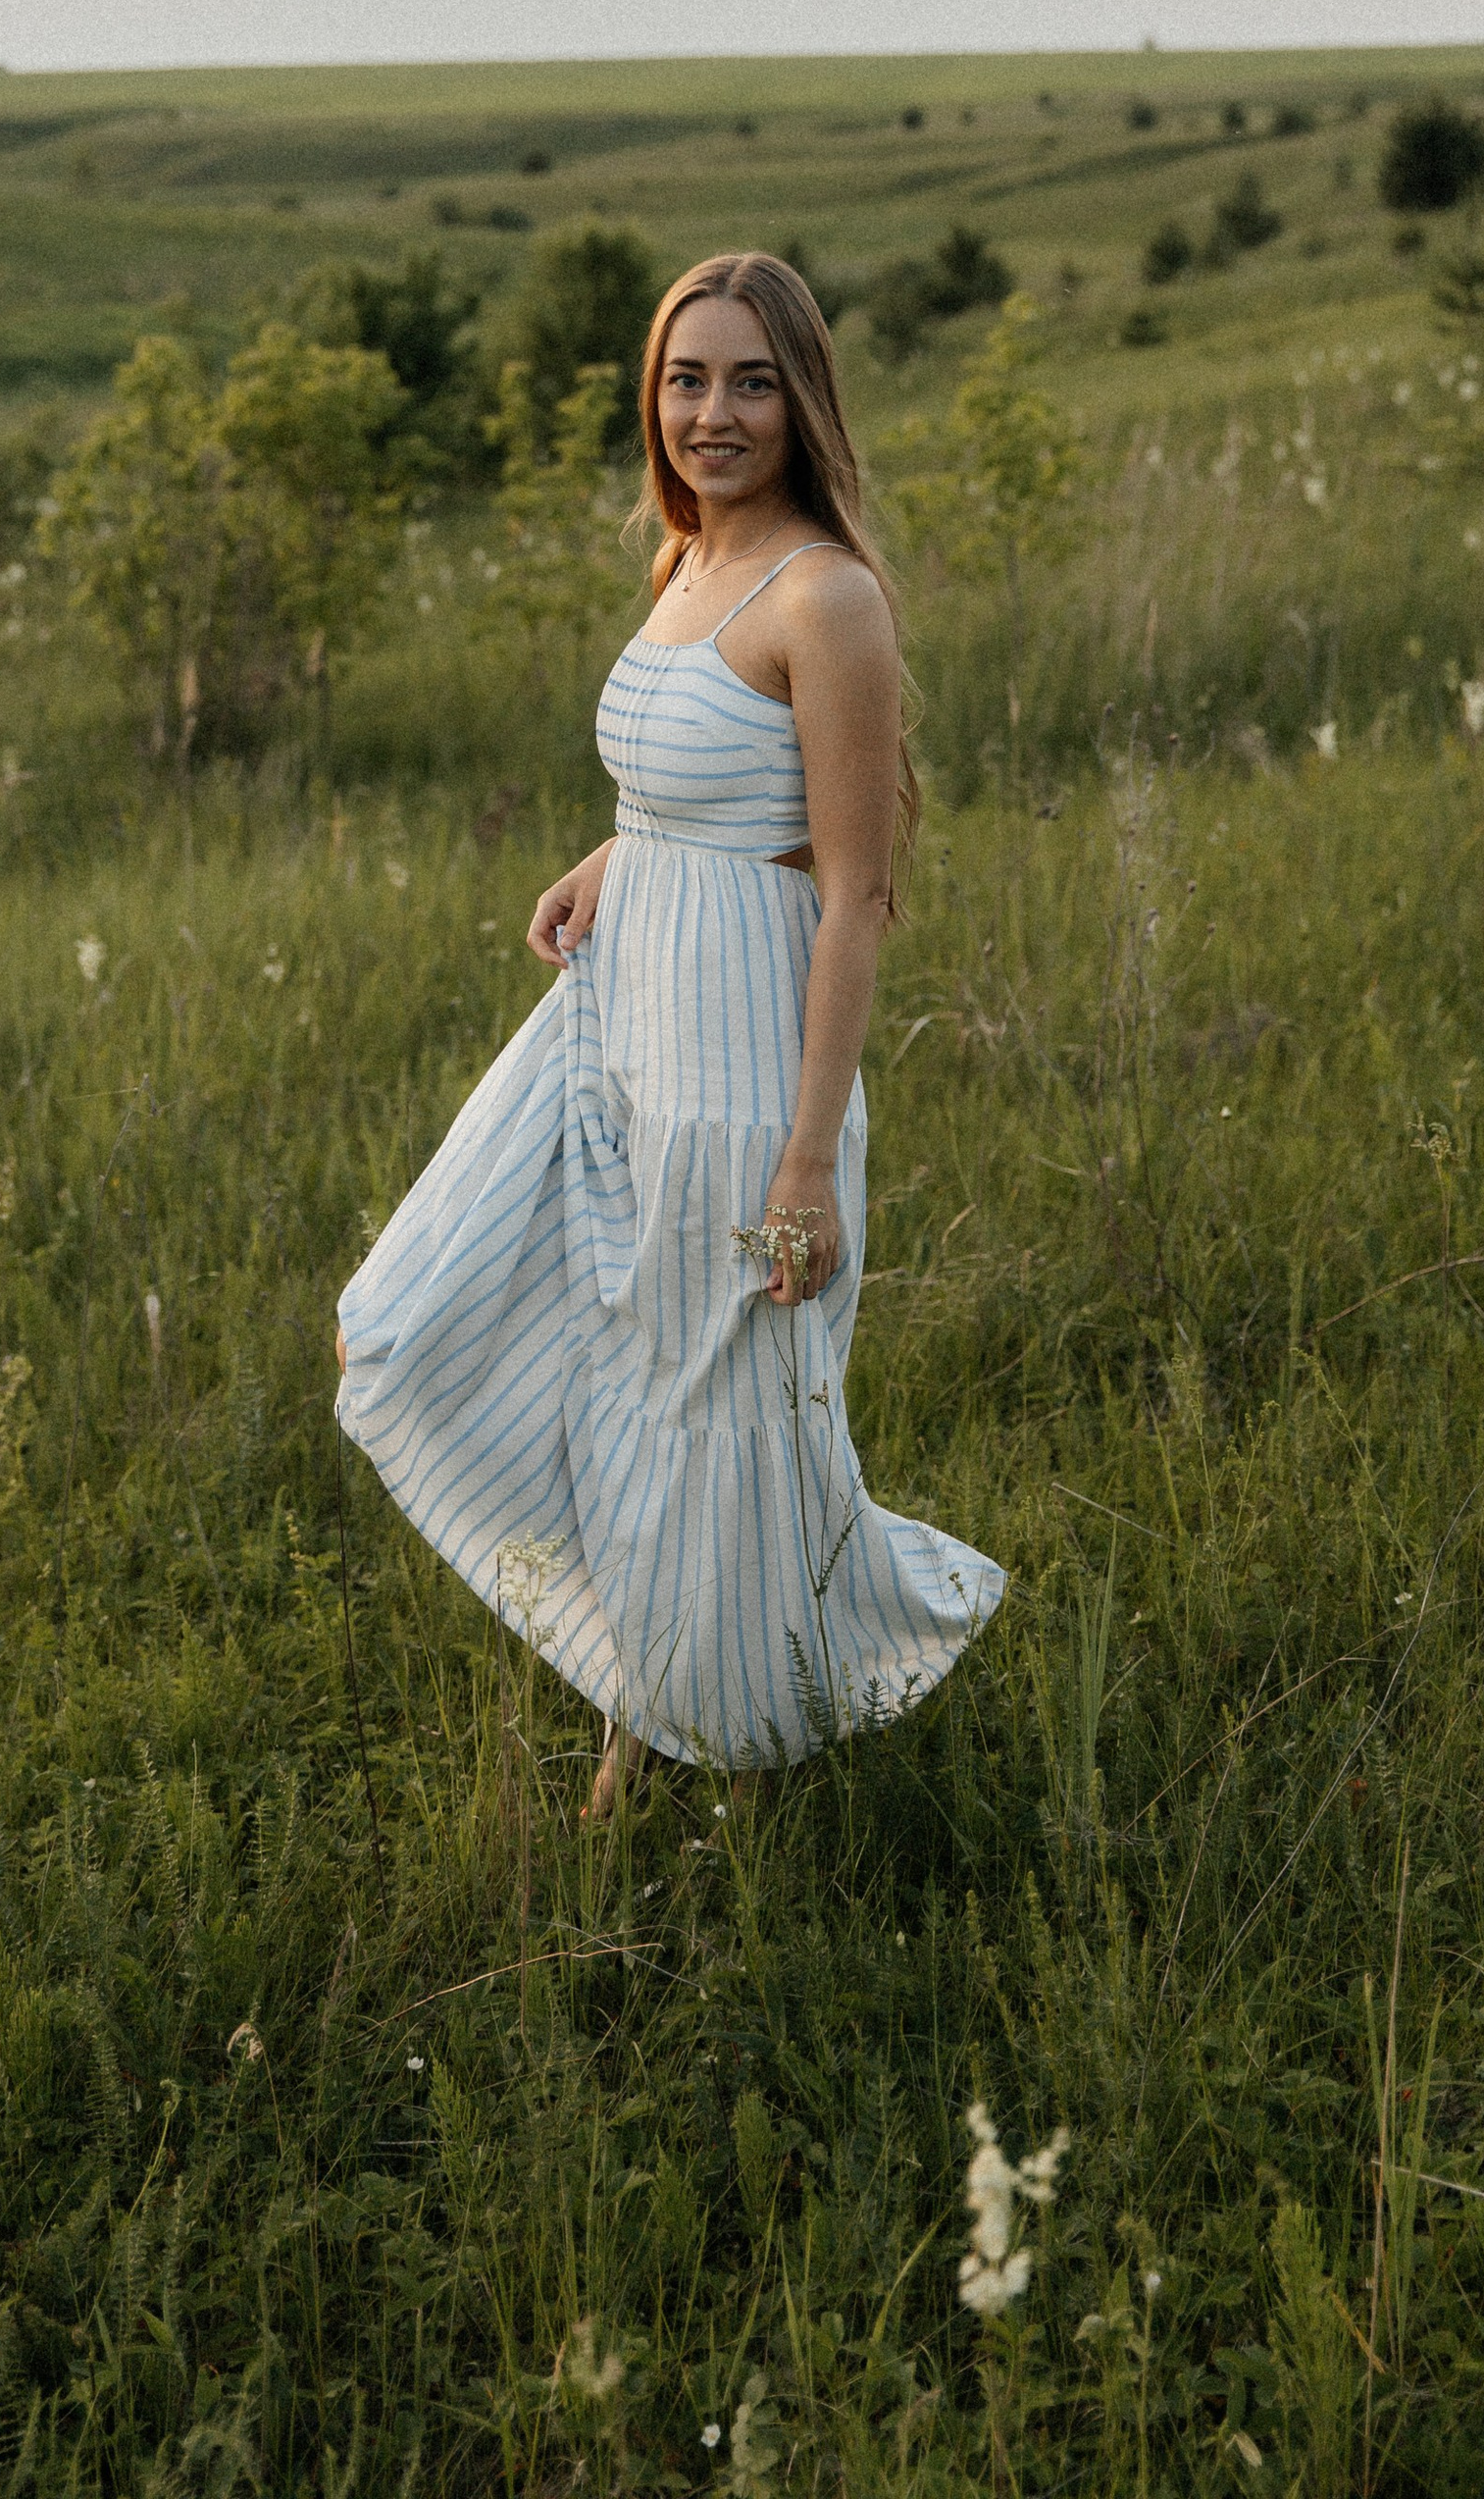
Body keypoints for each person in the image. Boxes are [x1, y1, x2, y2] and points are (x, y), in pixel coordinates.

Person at [334, 249, 1003, 1812]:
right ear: (655, 395)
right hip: (613, 1032)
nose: (713, 412)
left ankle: (713, 1750)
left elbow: (851, 895)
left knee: (714, 1422)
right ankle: (675, 1697)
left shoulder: (827, 599)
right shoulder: (690, 559)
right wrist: (607, 854)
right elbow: (692, 792)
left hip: (741, 1074)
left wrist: (808, 1161)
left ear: (803, 399)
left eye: (752, 381)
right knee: (424, 1322)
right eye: (687, 378)